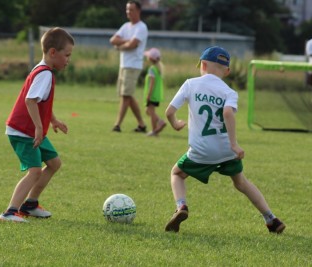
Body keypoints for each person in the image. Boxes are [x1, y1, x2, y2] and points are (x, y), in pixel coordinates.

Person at [164, 46, 286, 234]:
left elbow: (169, 112)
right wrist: (234, 144)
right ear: (227, 71)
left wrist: (175, 123)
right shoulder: (229, 92)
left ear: (202, 65)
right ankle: (272, 219)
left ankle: (181, 207)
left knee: (177, 174)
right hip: (226, 151)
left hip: (202, 150)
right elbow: (228, 112)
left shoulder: (190, 84)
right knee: (241, 183)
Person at [0, 27, 74, 223]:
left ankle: (30, 205)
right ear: (52, 52)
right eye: (67, 55)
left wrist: (53, 120)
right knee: (35, 171)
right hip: (24, 131)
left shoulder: (43, 70)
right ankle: (9, 212)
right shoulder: (45, 74)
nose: (68, 60)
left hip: (31, 130)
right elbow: (30, 101)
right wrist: (39, 128)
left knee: (54, 163)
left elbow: (40, 101)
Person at [110, 0, 148, 133]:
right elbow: (112, 40)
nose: (128, 12)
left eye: (131, 9)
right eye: (127, 9)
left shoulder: (141, 27)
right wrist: (127, 41)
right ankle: (142, 125)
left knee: (126, 95)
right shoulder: (126, 26)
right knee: (126, 94)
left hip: (133, 65)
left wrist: (121, 45)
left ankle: (117, 124)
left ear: (138, 11)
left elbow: (133, 45)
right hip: (124, 64)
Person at [143, 47, 166, 136]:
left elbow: (152, 83)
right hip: (156, 95)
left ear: (151, 58)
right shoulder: (158, 68)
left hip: (152, 95)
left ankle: (154, 131)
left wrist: (148, 95)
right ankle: (160, 121)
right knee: (148, 111)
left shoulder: (152, 69)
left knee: (151, 112)